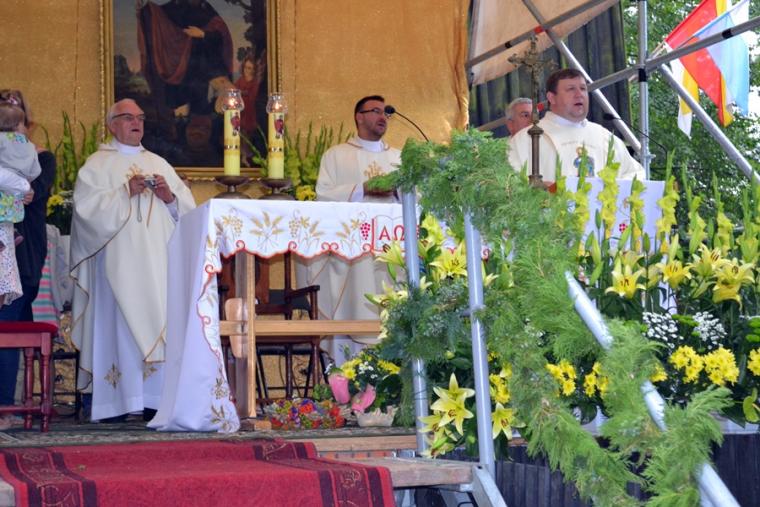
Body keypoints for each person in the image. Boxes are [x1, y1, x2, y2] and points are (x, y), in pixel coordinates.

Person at [70, 99, 195, 422]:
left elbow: (188, 214)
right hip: (117, 268)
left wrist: (169, 198)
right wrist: (124, 192)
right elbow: (84, 213)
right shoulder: (96, 165)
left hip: (158, 266)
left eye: (140, 117)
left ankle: (156, 400)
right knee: (121, 329)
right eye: (128, 117)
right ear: (112, 124)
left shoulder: (159, 163)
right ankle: (117, 403)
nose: (136, 123)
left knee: (159, 322)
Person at [301, 95, 400, 364]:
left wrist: (397, 190)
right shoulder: (336, 156)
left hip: (392, 251)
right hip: (353, 259)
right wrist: (362, 189)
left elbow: (416, 198)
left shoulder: (398, 157)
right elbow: (323, 195)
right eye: (375, 111)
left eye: (386, 112)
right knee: (354, 301)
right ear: (359, 117)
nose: (383, 117)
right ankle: (350, 369)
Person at [0, 89, 53, 430]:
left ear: (27, 124)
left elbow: (35, 192)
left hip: (21, 253)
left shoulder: (41, 157)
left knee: (7, 326)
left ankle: (5, 405)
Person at [508, 68, 645, 183]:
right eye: (571, 89)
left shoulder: (604, 136)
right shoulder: (526, 139)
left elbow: (635, 174)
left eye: (583, 89)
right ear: (552, 98)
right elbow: (510, 184)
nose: (579, 95)